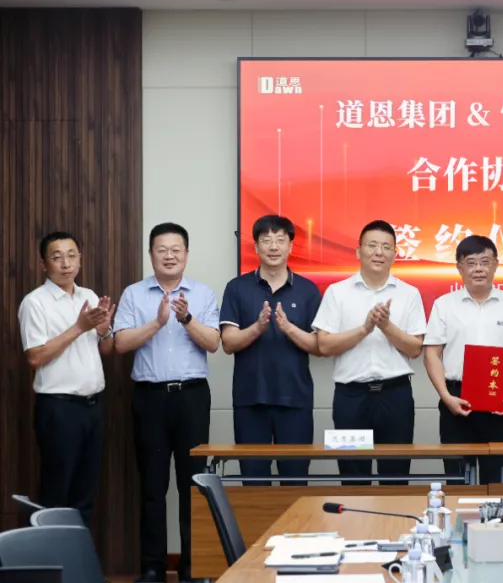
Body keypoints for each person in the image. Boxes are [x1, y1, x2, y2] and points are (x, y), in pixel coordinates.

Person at [114, 222, 220, 583]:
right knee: (152, 485)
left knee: (193, 485)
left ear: (186, 255)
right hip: (150, 399)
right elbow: (120, 344)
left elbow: (213, 343)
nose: (169, 255)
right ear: (151, 254)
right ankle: (153, 567)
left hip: (192, 397)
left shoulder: (203, 294)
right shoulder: (133, 294)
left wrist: (185, 318)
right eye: (162, 249)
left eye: (176, 249)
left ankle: (192, 566)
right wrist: (158, 323)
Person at [313, 220, 426, 485]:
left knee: (396, 475)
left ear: (395, 254)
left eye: (386, 247)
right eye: (372, 245)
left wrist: (386, 326)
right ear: (358, 251)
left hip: (395, 395)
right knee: (352, 477)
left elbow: (415, 348)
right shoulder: (337, 292)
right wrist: (365, 329)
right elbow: (324, 345)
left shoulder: (409, 293)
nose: (379, 252)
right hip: (350, 397)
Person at [424, 235, 503, 485]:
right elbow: (432, 353)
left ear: (496, 265)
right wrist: (445, 396)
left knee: (496, 479)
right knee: (457, 479)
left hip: (498, 398)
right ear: (460, 267)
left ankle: (495, 512)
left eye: (485, 262)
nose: (479, 269)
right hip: (455, 399)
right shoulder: (444, 305)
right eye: (471, 263)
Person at [17, 231, 115, 527]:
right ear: (43, 263)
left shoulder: (89, 297)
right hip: (59, 409)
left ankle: (77, 557)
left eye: (72, 256)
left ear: (80, 259)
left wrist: (104, 331)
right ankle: (52, 557)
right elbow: (35, 357)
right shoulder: (35, 303)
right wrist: (79, 327)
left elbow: (105, 350)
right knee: (56, 493)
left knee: (85, 493)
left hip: (93, 407)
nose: (66, 263)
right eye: (57, 257)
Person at [220, 215, 321, 486]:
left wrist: (288, 329)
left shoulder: (308, 290)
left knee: (295, 484)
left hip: (295, 400)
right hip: (250, 400)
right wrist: (258, 328)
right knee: (254, 485)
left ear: (291, 246)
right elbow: (228, 343)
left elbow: (319, 346)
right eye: (266, 240)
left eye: (280, 240)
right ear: (256, 246)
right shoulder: (237, 288)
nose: (273, 247)